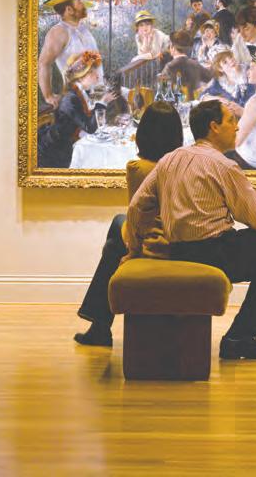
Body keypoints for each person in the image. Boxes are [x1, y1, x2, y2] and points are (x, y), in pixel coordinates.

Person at [124, 99, 256, 360]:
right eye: (231, 120)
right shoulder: (223, 166)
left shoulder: (170, 160)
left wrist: (134, 248)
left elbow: (136, 206)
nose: (237, 126)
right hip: (216, 253)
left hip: (178, 251)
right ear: (214, 127)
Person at [74, 101, 184, 347]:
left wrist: (131, 252)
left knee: (115, 239)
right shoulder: (182, 165)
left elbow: (138, 220)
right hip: (182, 240)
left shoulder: (139, 168)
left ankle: (99, 324)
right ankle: (99, 325)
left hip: (159, 244)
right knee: (117, 227)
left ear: (143, 134)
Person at [37, 51, 113, 168]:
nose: (97, 75)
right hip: (55, 151)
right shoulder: (71, 98)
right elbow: (89, 127)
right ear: (81, 77)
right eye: (91, 72)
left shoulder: (83, 93)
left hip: (71, 144)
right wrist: (103, 102)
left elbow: (89, 121)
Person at [39, 0, 102, 109]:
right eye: (79, 2)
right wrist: (48, 96)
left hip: (97, 94)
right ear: (69, 9)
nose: (83, 5)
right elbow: (43, 64)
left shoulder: (82, 28)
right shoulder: (59, 32)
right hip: (79, 99)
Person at [199, 50, 255, 116]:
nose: (231, 61)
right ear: (220, 69)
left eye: (230, 57)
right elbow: (203, 96)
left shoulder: (249, 71)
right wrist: (220, 99)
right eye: (225, 62)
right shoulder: (220, 82)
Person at [161, 30, 212, 100]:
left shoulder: (169, 67)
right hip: (194, 104)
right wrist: (203, 89)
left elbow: (163, 91)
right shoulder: (195, 64)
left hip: (175, 105)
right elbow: (212, 79)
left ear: (173, 48)